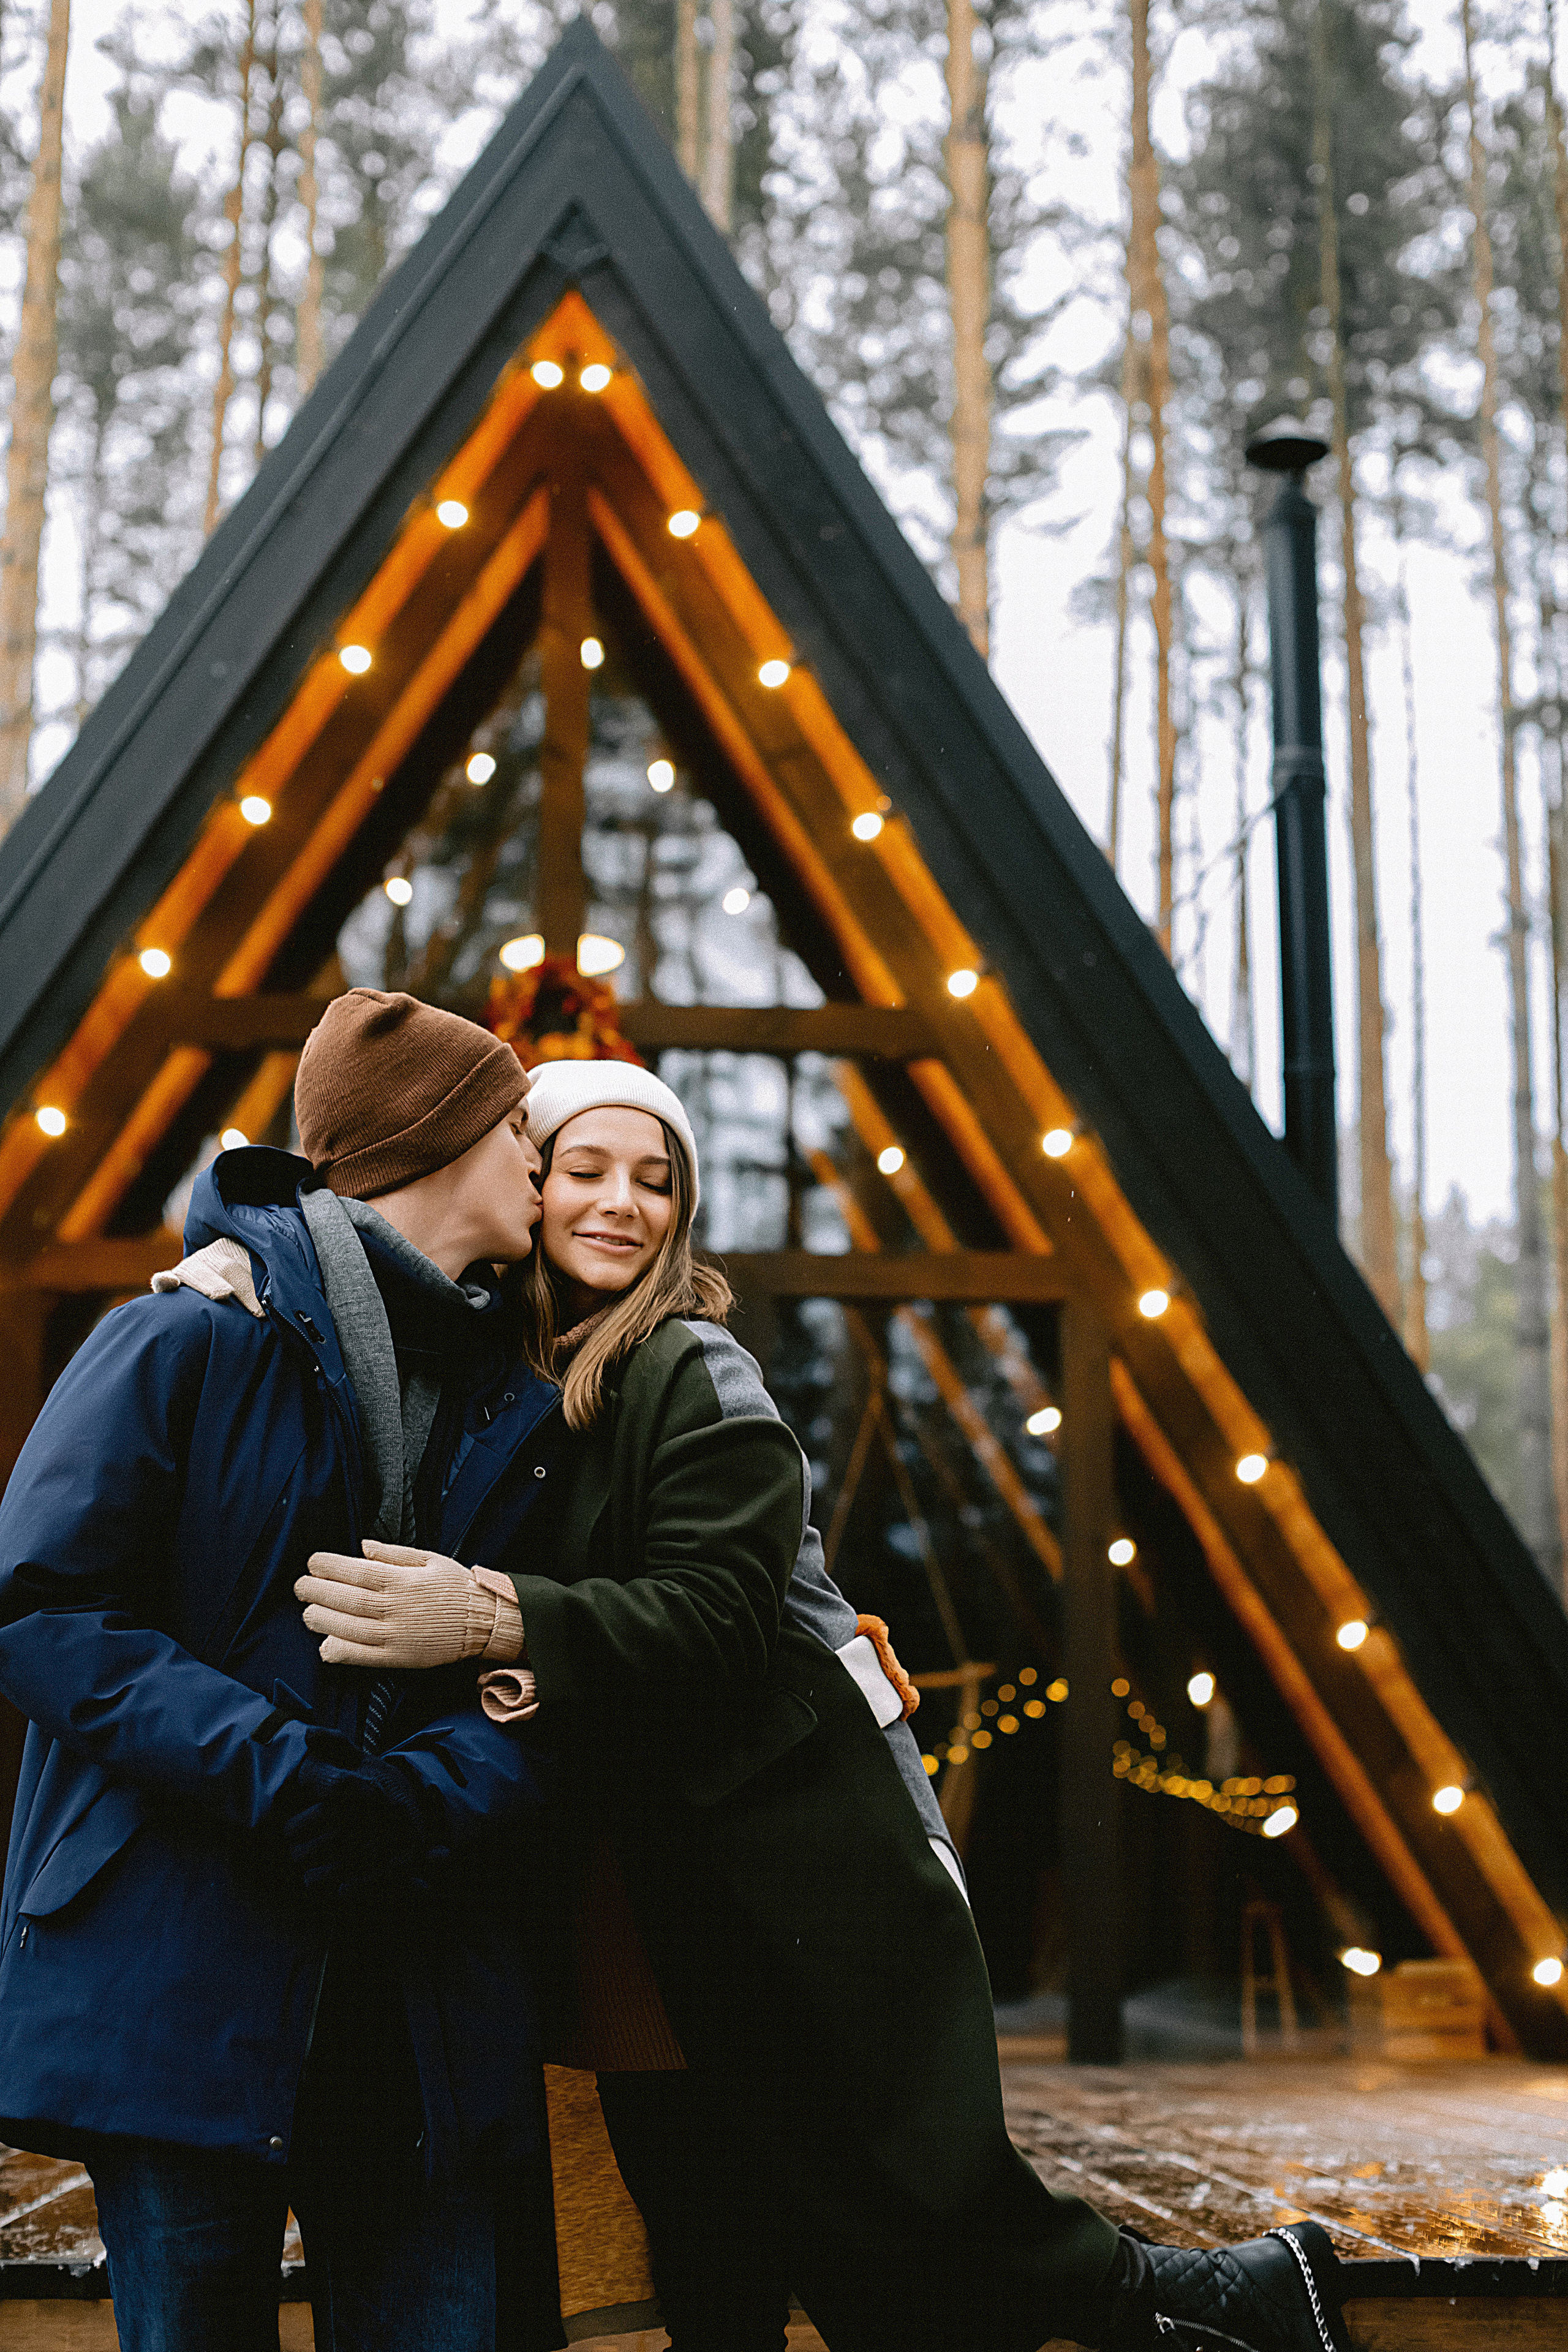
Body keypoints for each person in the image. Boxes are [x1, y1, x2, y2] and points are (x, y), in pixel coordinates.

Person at [296, 1058, 1352, 2352]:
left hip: (796, 1865)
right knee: (706, 2220)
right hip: (634, 1886)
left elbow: (718, 1616)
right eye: (585, 1169)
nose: (621, 1203)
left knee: (897, 2214)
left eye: (655, 1180)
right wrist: (232, 1271)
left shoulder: (691, 1366)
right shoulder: (500, 1380)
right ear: (529, 1185)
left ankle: (1225, 2302)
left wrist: (494, 1618)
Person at [0, 989, 565, 2352]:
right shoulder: (189, 1335)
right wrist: (289, 1772)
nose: (539, 1158)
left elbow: (536, 1671)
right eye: (514, 1128)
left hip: (415, 1981)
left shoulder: (519, 1399)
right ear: (430, 1144)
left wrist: (423, 1795)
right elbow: (41, 1602)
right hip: (188, 1956)